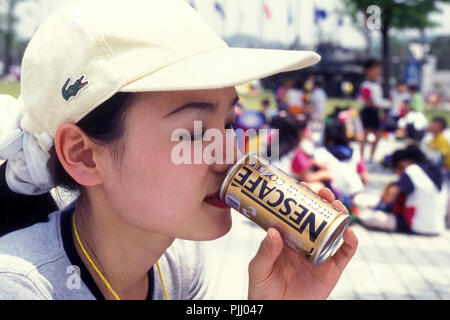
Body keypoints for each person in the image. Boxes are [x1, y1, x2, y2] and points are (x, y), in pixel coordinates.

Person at [0, 0, 357, 300]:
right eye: (194, 133)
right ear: (83, 155)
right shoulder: (21, 287)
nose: (232, 157)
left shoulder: (178, 261)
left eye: (229, 125)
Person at [358, 145, 447, 235]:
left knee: (374, 218)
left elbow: (389, 197)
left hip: (417, 225)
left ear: (402, 164)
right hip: (438, 226)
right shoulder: (435, 169)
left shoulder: (412, 170)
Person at [314, 112, 369, 201]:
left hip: (333, 195)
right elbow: (366, 178)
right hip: (354, 192)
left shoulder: (320, 153)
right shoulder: (354, 152)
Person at [358, 59, 389, 163]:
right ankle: (361, 158)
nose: (378, 72)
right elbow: (369, 101)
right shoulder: (366, 85)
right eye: (375, 69)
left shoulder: (377, 84)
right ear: (368, 70)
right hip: (369, 111)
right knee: (366, 135)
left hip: (378, 111)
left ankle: (371, 158)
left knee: (379, 135)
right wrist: (384, 104)